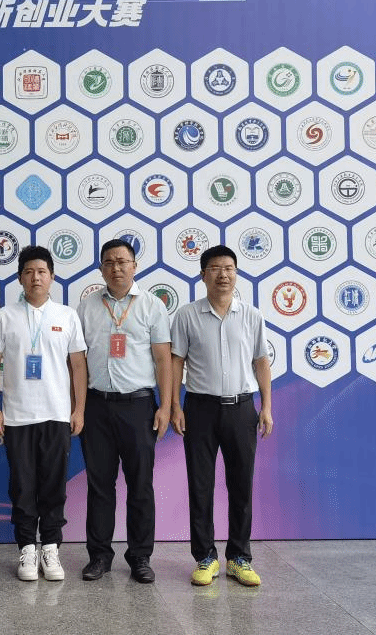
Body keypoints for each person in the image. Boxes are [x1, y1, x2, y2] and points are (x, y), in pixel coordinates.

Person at [170, 245, 274, 587]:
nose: (223, 274)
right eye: (215, 268)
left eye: (229, 268)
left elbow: (261, 361)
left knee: (241, 485)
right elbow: (176, 362)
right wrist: (174, 406)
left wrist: (266, 407)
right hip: (199, 409)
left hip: (242, 409)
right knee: (200, 486)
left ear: (236, 273)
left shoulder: (252, 315)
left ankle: (239, 557)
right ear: (203, 275)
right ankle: (205, 557)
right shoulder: (187, 315)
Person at [0, 245, 88, 582]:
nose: (35, 278)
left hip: (57, 415)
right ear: (20, 278)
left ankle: (51, 547)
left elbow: (78, 366)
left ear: (52, 277)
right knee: (22, 486)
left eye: (41, 272)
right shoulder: (5, 316)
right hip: (17, 417)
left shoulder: (66, 316)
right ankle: (27, 547)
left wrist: (79, 409)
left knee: (53, 486)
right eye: (28, 272)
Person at [77, 239, 172, 584]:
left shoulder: (151, 306)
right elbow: (78, 362)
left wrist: (166, 406)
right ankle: (99, 556)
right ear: (101, 268)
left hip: (139, 406)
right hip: (97, 406)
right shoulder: (87, 306)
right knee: (100, 485)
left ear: (134, 265)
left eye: (122, 261)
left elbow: (163, 360)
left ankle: (140, 557)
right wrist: (79, 408)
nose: (116, 268)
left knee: (140, 485)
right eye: (109, 262)